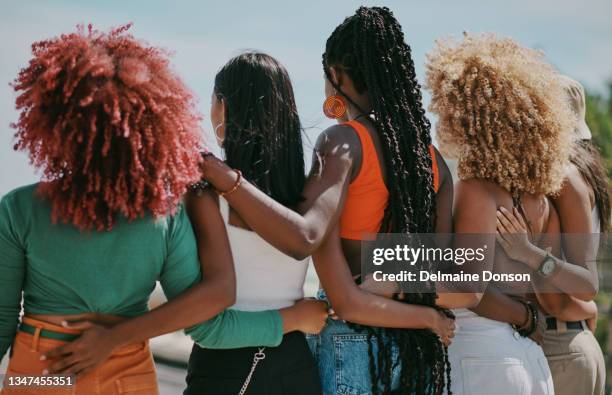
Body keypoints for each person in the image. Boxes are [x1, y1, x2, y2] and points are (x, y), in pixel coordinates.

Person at [0, 25, 325, 395]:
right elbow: (216, 302)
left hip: (43, 375)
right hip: (133, 375)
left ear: (55, 123)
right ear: (150, 123)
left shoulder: (19, 209)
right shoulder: (167, 214)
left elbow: (2, 319)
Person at [200, 7, 468, 395]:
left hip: (352, 344)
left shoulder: (341, 142)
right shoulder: (433, 163)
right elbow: (432, 272)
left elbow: (345, 301)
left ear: (336, 75)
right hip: (417, 354)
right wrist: (424, 315)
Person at [425, 33, 577, 395]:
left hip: (480, 355)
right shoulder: (541, 200)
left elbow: (471, 290)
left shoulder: (476, 190)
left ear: (469, 116)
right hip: (529, 361)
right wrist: (527, 318)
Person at [182, 52, 324, 395]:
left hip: (224, 365)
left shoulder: (203, 196)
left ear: (224, 109)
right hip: (295, 364)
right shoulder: (308, 195)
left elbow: (198, 315)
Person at [495, 76, 608, 395]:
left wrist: (528, 253)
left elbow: (585, 285)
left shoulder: (565, 179)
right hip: (568, 345)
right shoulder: (577, 178)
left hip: (560, 348)